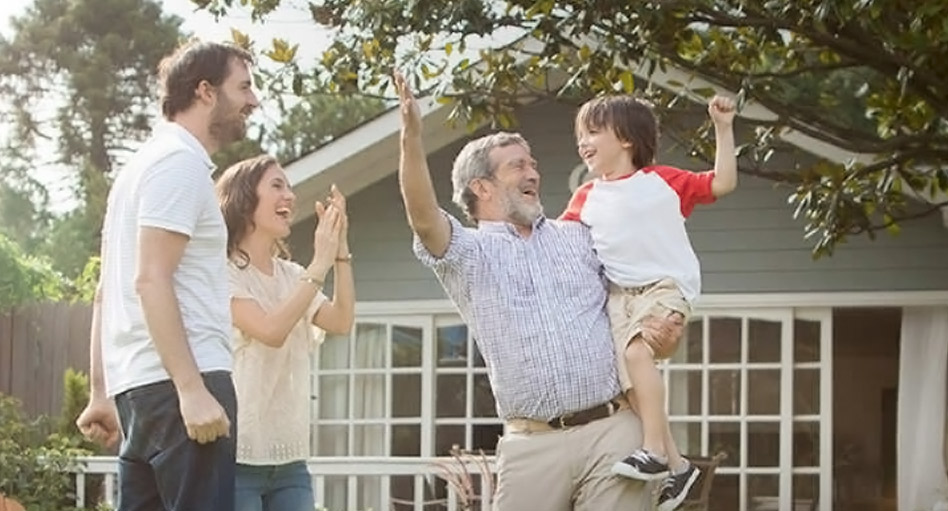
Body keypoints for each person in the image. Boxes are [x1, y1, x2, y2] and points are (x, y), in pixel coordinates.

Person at [393, 72, 685, 511]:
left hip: (612, 431)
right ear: (482, 187)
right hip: (531, 445)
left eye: (532, 163)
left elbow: (641, 285)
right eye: (518, 166)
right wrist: (411, 136)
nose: (534, 171)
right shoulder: (466, 254)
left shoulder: (581, 234)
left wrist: (667, 326)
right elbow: (420, 214)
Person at [75, 39, 259, 511]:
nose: (253, 101)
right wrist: (192, 389)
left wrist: (101, 392)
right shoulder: (179, 165)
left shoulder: (138, 169)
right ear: (205, 91)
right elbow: (150, 279)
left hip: (141, 393)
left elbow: (105, 292)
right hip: (182, 384)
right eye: (244, 87)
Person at [560, 94, 737, 510]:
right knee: (629, 385)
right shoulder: (585, 197)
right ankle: (678, 468)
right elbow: (558, 245)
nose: (582, 142)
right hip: (620, 298)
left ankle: (654, 452)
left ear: (625, 138)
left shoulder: (663, 182)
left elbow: (723, 183)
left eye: (592, 132)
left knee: (638, 352)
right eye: (579, 135)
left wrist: (723, 128)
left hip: (664, 287)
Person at [216, 155, 355, 511]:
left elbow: (341, 321)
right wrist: (319, 264)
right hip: (237, 459)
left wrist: (339, 254)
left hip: (290, 460)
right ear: (245, 201)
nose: (289, 196)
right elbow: (270, 330)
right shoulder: (223, 273)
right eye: (277, 186)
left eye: (289, 187)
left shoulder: (292, 275)